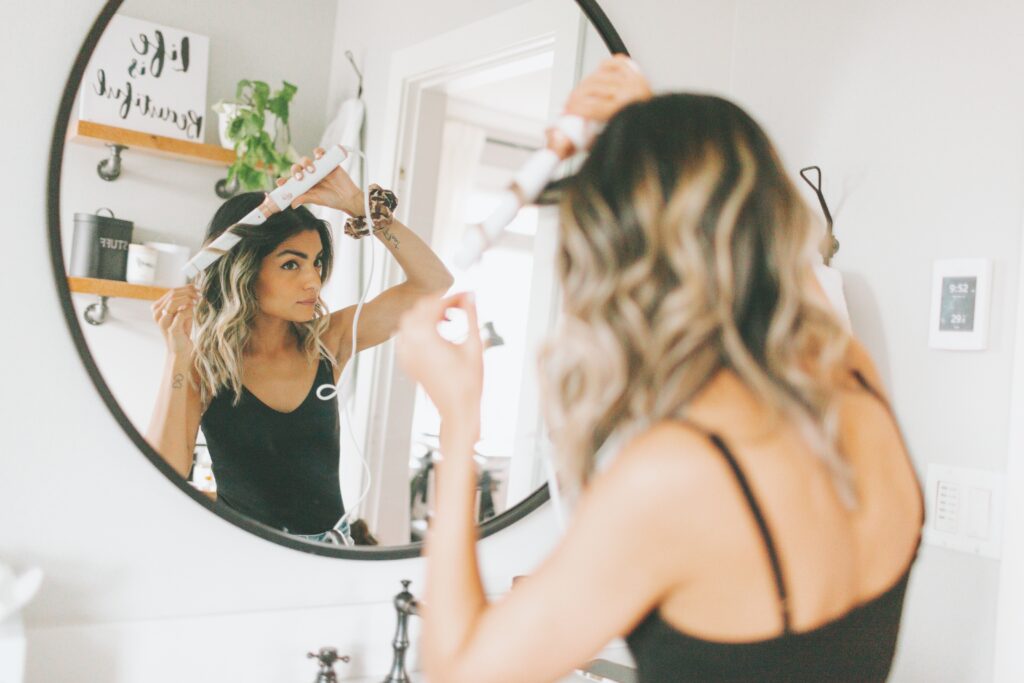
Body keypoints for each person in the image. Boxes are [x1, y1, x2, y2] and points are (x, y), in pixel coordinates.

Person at [395, 56, 924, 682]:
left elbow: (459, 671)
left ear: (611, 262)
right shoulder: (848, 375)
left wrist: (458, 423)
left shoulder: (676, 474)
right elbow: (789, 268)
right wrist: (653, 131)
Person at [146, 153, 453, 542]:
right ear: (245, 269)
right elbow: (164, 476)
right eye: (292, 265)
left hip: (332, 558)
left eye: (317, 262)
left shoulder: (327, 343)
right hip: (246, 562)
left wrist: (362, 208)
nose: (313, 281)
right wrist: (177, 357)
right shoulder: (203, 364)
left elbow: (433, 283)